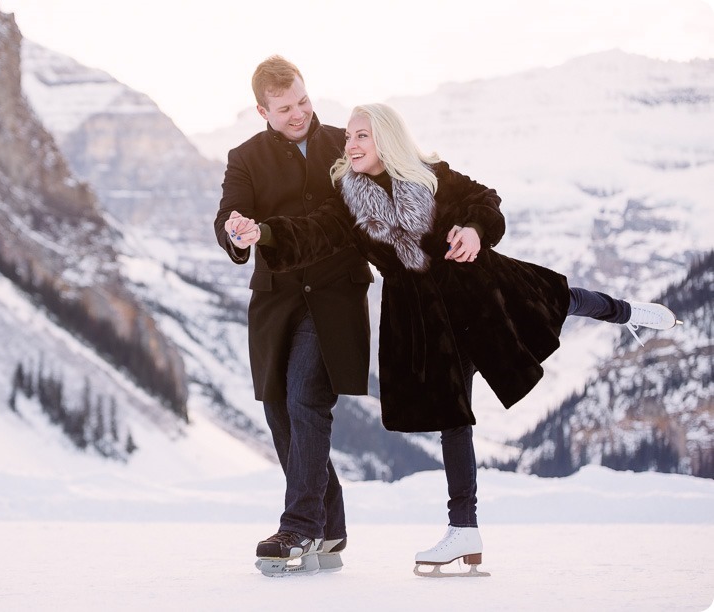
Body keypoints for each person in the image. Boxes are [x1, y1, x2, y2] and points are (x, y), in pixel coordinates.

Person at [237, 102, 681, 577]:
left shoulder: (432, 176)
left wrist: (473, 229)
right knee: (454, 416)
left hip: (477, 290)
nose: (351, 144)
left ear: (386, 137)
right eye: (348, 137)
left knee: (557, 299)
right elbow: (311, 234)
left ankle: (629, 312)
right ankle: (464, 529)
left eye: (362, 135)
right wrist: (260, 233)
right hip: (425, 321)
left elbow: (484, 200)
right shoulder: (347, 198)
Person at [213, 57, 375, 576]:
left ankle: (299, 527)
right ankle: (332, 525)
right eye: (285, 109)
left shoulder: (342, 143)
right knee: (279, 409)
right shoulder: (245, 157)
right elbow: (229, 216)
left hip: (333, 296)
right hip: (277, 301)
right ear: (262, 109)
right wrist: (237, 232)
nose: (299, 113)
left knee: (307, 395)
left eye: (304, 101)